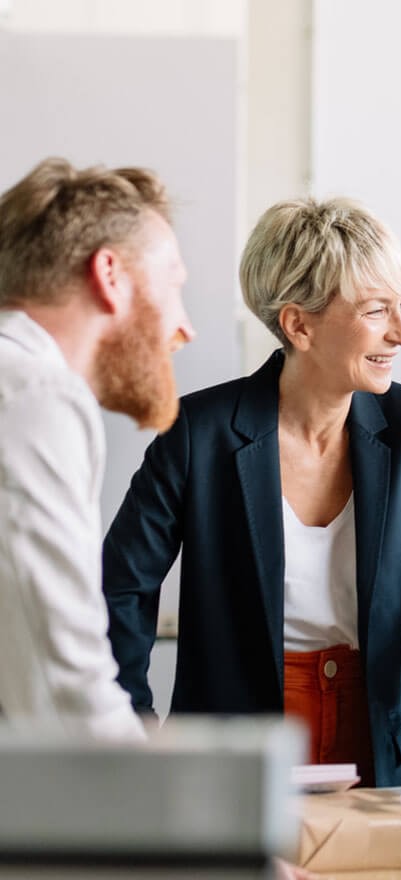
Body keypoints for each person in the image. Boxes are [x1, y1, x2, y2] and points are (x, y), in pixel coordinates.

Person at [102, 197, 401, 806]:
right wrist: (132, 728)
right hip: (234, 748)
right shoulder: (199, 431)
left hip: (374, 738)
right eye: (377, 311)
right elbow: (123, 588)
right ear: (299, 324)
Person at [0, 157, 194, 740]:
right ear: (109, 275)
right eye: (174, 288)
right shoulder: (35, 394)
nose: (185, 328)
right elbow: (63, 678)